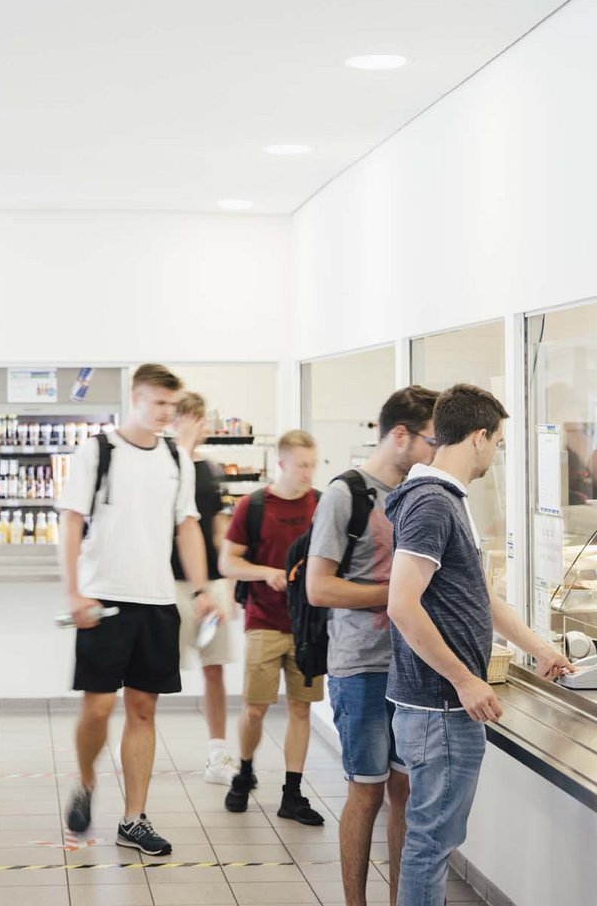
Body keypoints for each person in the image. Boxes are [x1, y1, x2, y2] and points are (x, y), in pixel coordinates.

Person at [384, 384, 575, 906]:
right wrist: (464, 679)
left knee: (435, 839)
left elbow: (482, 598)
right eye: (497, 442)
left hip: (441, 705)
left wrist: (539, 648)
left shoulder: (445, 501)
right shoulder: (431, 504)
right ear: (478, 436)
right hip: (440, 706)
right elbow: (402, 604)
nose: (496, 453)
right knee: (430, 843)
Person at [57, 363, 220, 856]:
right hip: (104, 598)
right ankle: (86, 780)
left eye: (172, 405)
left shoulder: (176, 456)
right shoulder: (98, 451)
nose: (166, 414)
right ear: (136, 398)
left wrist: (201, 588)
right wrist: (73, 592)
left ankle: (134, 818)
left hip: (156, 602)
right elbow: (70, 521)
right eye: (158, 404)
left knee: (143, 710)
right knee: (99, 707)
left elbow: (186, 526)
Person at [305, 385, 438, 906]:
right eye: (431, 439)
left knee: (404, 792)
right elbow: (319, 588)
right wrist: (395, 595)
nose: (436, 450)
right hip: (360, 668)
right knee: (366, 790)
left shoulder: (421, 493)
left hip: (414, 666)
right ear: (400, 434)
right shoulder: (347, 495)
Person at [218, 429, 324, 824]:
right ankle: (244, 772)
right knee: (255, 708)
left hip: (309, 626)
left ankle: (292, 793)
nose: (308, 473)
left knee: (301, 708)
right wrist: (267, 573)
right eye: (301, 466)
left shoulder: (323, 505)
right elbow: (228, 564)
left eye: (312, 465)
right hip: (264, 621)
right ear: (281, 464)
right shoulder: (254, 506)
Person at [170, 391, 238, 784]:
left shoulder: (210, 470)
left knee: (215, 670)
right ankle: (127, 744)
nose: (202, 427)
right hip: (169, 585)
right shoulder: (164, 466)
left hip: (208, 586)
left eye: (203, 419)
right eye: (194, 419)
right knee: (152, 672)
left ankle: (217, 756)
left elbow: (217, 530)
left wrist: (224, 586)